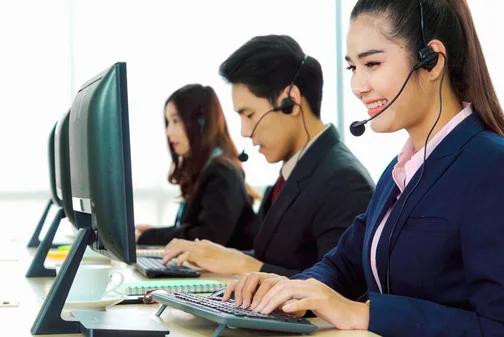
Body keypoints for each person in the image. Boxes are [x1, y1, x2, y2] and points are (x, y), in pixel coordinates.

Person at [223, 1, 504, 336]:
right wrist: (293, 289)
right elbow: (343, 264)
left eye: (373, 63)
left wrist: (364, 315)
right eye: (353, 68)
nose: (358, 85)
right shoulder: (400, 171)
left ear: (432, 60)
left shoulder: (498, 170)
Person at [161, 35, 375, 277]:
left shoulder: (343, 182)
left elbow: (337, 291)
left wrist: (244, 265)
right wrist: (220, 256)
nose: (245, 131)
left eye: (249, 115)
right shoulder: (296, 171)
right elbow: (274, 260)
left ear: (290, 102)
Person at [136, 84, 259, 251]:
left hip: (228, 276)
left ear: (201, 123)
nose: (168, 131)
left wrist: (146, 237)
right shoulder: (206, 169)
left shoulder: (222, 172)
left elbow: (207, 237)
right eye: (168, 122)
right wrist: (154, 232)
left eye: (175, 120)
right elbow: (191, 228)